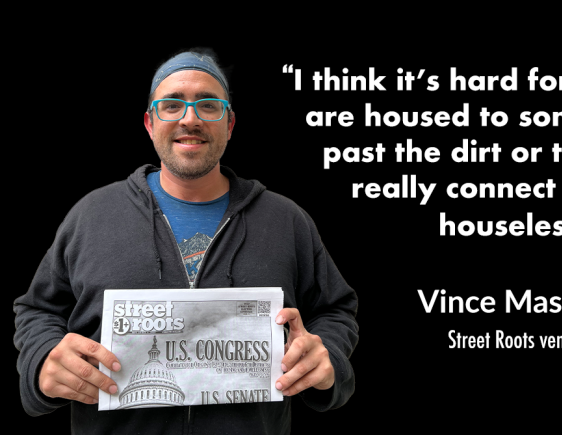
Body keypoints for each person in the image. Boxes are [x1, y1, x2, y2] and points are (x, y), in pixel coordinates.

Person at [13, 49, 358, 434]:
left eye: (208, 106)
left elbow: (335, 309)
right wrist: (43, 359)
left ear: (229, 124)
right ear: (149, 122)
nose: (190, 118)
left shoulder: (287, 220)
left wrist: (326, 353)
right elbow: (38, 309)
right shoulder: (91, 215)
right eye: (171, 105)